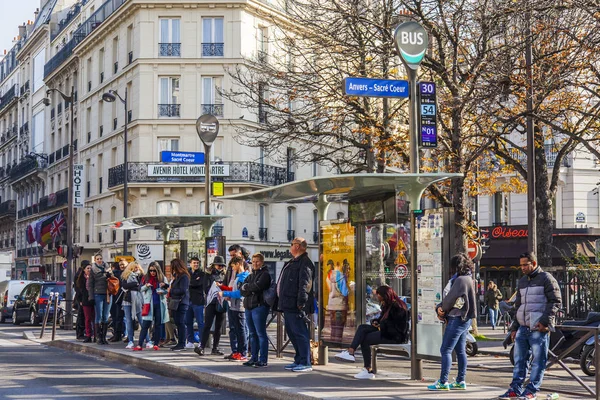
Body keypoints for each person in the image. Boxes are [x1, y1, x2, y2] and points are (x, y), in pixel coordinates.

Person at [499, 252, 561, 400]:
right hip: (522, 326)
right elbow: (518, 306)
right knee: (519, 360)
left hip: (538, 327)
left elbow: (556, 301)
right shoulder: (522, 281)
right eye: (521, 265)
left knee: (538, 361)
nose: (522, 268)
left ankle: (531, 390)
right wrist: (514, 328)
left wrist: (545, 321)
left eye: (525, 265)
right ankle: (515, 389)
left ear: (533, 263)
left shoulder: (546, 278)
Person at [334, 285, 409, 379]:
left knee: (365, 339)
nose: (377, 297)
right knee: (362, 328)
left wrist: (381, 325)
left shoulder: (398, 306)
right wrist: (376, 322)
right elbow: (382, 318)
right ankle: (351, 352)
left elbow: (397, 326)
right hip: (385, 331)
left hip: (395, 336)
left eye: (379, 295)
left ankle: (367, 369)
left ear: (385, 295)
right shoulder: (387, 304)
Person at [428, 253, 476, 391]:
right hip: (464, 318)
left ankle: (443, 381)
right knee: (460, 351)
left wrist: (440, 308)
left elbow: (450, 299)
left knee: (445, 349)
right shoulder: (468, 278)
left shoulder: (460, 280)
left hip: (456, 317)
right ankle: (461, 380)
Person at [276, 237, 315, 373]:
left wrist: (301, 303)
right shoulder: (293, 262)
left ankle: (305, 361)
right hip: (287, 304)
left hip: (296, 305)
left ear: (297, 246)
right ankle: (298, 359)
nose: (290, 246)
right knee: (292, 333)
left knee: (300, 333)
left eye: (292, 244)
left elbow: (305, 284)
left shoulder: (305, 263)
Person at [240, 253, 272, 367]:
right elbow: (242, 289)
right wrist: (249, 288)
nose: (255, 264)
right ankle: (254, 358)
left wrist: (248, 287)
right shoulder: (250, 275)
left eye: (257, 261)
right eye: (253, 262)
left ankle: (263, 359)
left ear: (262, 262)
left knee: (260, 334)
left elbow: (258, 287)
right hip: (249, 306)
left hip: (259, 306)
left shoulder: (265, 274)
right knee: (252, 334)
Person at [195, 256, 227, 356]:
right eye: (218, 265)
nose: (220, 267)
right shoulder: (208, 274)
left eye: (222, 265)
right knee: (207, 325)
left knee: (218, 326)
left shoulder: (225, 274)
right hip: (211, 302)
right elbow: (206, 288)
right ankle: (202, 346)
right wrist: (216, 286)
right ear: (214, 265)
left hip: (221, 302)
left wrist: (222, 287)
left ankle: (215, 348)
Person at [134, 261, 169, 351]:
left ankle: (156, 343)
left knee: (158, 324)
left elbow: (167, 290)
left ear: (158, 270)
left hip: (159, 304)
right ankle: (140, 344)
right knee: (145, 325)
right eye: (150, 270)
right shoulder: (146, 278)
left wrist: (163, 290)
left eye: (154, 271)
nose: (152, 272)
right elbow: (140, 289)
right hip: (149, 304)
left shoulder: (162, 278)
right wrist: (146, 286)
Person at [220, 256, 250, 361]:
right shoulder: (239, 276)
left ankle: (243, 353)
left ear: (238, 264)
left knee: (241, 331)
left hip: (240, 307)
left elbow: (240, 293)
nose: (232, 269)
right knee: (237, 330)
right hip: (234, 306)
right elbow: (234, 290)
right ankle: (238, 351)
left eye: (233, 266)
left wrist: (225, 293)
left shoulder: (244, 277)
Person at [87, 254, 114, 345]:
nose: (99, 260)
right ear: (95, 260)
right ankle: (98, 337)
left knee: (106, 316)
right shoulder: (93, 270)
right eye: (97, 259)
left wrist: (109, 274)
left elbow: (113, 279)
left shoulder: (107, 267)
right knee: (99, 316)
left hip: (107, 294)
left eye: (100, 259)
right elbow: (90, 284)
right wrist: (91, 296)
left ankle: (104, 337)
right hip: (98, 294)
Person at [169, 258, 191, 351]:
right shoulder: (177, 276)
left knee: (181, 322)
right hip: (175, 301)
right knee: (177, 322)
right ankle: (180, 342)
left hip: (181, 302)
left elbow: (183, 290)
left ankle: (182, 343)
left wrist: (172, 290)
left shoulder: (184, 276)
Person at [121, 261, 144, 349]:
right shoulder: (126, 275)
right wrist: (134, 284)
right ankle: (130, 340)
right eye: (134, 267)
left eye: (137, 267)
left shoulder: (141, 276)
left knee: (141, 320)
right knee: (129, 321)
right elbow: (124, 286)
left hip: (138, 300)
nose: (136, 269)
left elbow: (140, 287)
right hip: (127, 300)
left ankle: (147, 340)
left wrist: (132, 286)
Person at [326, 259, 349, 343]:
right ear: (340, 266)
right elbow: (345, 292)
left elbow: (329, 289)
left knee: (333, 326)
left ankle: (332, 341)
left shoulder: (329, 275)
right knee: (339, 326)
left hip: (331, 304)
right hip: (340, 304)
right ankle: (337, 343)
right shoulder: (341, 276)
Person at [185, 256, 205, 349]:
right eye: (194, 263)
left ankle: (202, 341)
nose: (196, 264)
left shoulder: (201, 274)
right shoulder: (187, 273)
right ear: (190, 263)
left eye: (197, 263)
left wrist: (191, 283)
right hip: (188, 300)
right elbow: (187, 284)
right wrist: (193, 282)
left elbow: (198, 284)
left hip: (198, 301)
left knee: (200, 322)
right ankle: (190, 340)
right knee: (188, 322)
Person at [76, 261, 95, 343]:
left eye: (90, 268)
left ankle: (95, 335)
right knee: (87, 318)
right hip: (85, 300)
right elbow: (79, 291)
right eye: (88, 268)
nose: (89, 270)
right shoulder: (80, 278)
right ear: (84, 269)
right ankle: (88, 335)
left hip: (94, 300)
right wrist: (80, 300)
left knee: (95, 318)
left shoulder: (94, 277)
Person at [108, 261, 126, 342]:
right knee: (117, 317)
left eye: (123, 265)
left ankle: (125, 335)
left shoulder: (128, 274)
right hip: (117, 298)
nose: (122, 266)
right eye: (120, 265)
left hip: (125, 298)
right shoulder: (117, 273)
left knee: (127, 318)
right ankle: (117, 335)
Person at [73, 261, 87, 340]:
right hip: (81, 298)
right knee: (81, 316)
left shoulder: (79, 274)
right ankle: (80, 333)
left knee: (82, 316)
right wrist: (80, 299)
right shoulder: (79, 275)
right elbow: (78, 289)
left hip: (81, 298)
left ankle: (80, 333)